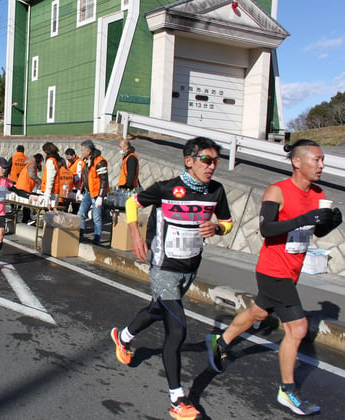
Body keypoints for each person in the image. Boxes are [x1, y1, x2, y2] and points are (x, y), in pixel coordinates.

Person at [205, 139, 342, 416]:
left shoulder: (318, 193)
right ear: (297, 162)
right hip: (272, 269)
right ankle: (287, 391)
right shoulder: (276, 191)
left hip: (291, 269)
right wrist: (305, 218)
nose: (321, 165)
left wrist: (328, 222)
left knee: (258, 313)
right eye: (316, 159)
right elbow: (267, 229)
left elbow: (317, 233)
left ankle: (222, 340)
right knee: (298, 329)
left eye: (322, 160)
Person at [110, 137, 233, 420]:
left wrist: (217, 229)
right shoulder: (167, 188)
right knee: (177, 330)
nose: (212, 166)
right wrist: (136, 236)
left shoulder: (216, 191)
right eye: (207, 160)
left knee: (158, 309)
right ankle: (178, 400)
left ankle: (123, 336)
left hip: (190, 267)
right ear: (189, 160)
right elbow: (132, 203)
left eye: (216, 161)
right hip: (164, 266)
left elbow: (226, 222)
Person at [77, 140, 109, 245]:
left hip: (96, 193)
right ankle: (80, 235)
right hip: (88, 191)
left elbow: (104, 180)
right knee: (80, 214)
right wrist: (80, 190)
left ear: (88, 151)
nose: (81, 152)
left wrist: (101, 196)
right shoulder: (86, 161)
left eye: (82, 150)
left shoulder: (100, 162)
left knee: (96, 217)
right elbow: (84, 177)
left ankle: (97, 238)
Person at [15, 153, 43, 224]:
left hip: (23, 186)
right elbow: (31, 175)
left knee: (25, 204)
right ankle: (26, 219)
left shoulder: (30, 164)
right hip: (24, 187)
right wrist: (40, 182)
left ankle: (25, 218)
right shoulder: (32, 165)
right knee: (27, 204)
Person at [40, 142, 61, 211]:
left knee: (50, 216)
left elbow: (50, 180)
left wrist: (47, 197)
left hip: (51, 193)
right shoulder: (55, 161)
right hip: (54, 191)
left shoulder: (50, 162)